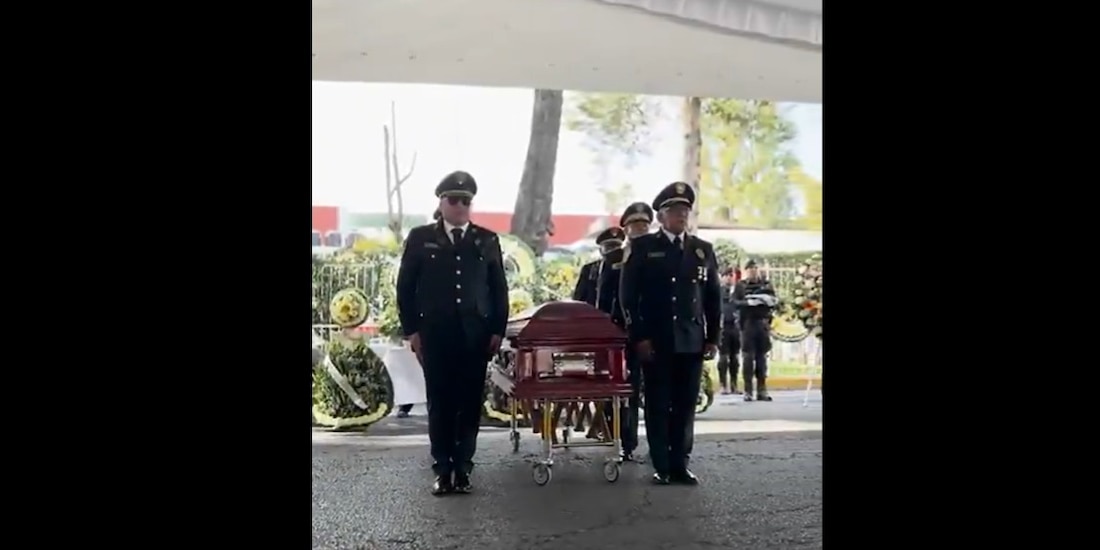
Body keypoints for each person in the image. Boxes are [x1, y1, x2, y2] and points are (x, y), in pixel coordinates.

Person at [395, 171, 509, 496]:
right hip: (435, 334)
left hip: (475, 335)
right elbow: (406, 288)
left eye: (466, 201)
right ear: (441, 202)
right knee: (441, 402)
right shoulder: (421, 238)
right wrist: (412, 331)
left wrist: (497, 330)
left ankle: (464, 467)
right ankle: (442, 468)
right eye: (453, 200)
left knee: (470, 403)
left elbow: (498, 288)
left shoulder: (486, 239)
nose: (460, 206)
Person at [619, 182, 721, 485]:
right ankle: (661, 464)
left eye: (685, 210)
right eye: (675, 210)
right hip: (657, 340)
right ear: (661, 216)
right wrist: (639, 336)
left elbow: (713, 298)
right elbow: (628, 297)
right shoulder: (643, 247)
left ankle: (680, 463)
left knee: (686, 405)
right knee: (658, 403)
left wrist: (713, 337)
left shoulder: (702, 250)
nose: (681, 215)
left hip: (691, 339)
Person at [596, 201, 653, 461]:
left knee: (654, 390)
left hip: (653, 334)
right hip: (621, 335)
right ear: (626, 228)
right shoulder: (615, 259)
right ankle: (625, 442)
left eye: (644, 224)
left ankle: (659, 446)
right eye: (635, 224)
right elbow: (603, 301)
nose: (640, 228)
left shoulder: (659, 253)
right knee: (625, 390)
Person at [731, 258, 777, 402]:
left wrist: (764, 301)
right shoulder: (740, 286)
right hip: (748, 324)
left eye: (755, 268)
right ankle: (748, 390)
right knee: (748, 358)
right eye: (750, 269)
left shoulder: (766, 285)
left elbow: (774, 301)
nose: (753, 271)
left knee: (762, 359)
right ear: (746, 271)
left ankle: (762, 390)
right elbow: (734, 302)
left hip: (762, 323)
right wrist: (748, 303)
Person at [717, 266, 742, 395]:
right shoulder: (718, 291)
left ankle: (734, 384)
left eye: (731, 275)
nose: (729, 278)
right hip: (723, 326)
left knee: (735, 358)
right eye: (726, 275)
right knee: (723, 357)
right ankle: (723, 384)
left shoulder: (737, 291)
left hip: (735, 326)